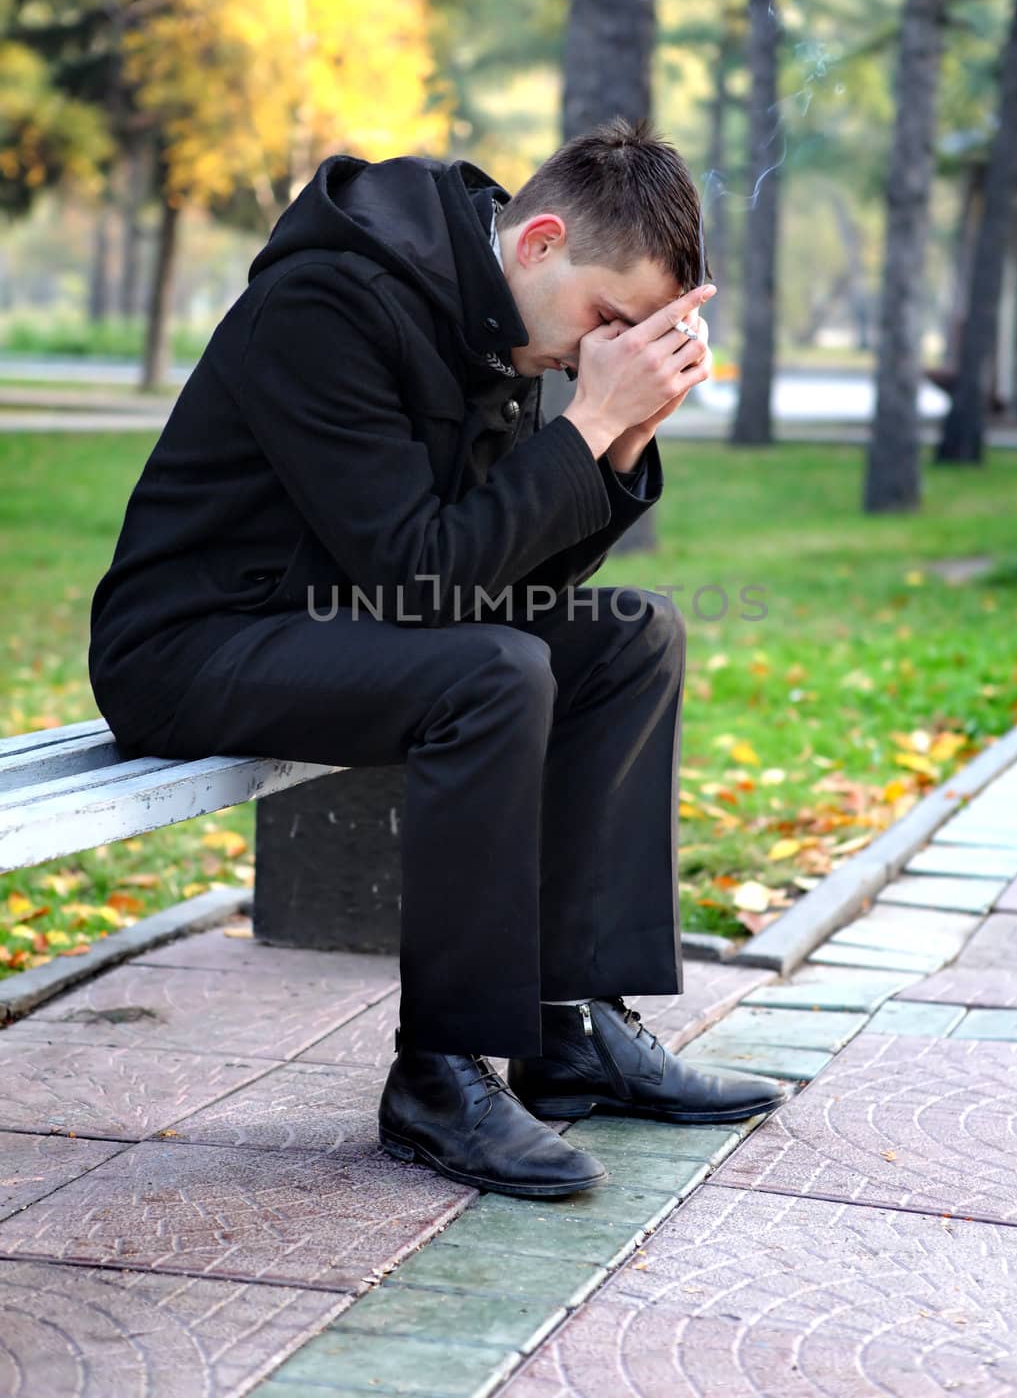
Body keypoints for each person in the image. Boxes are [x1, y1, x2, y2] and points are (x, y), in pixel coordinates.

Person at [87, 116, 786, 1202]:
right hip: (194, 641)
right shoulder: (332, 298)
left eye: (633, 338)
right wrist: (583, 421)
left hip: (337, 622)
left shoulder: (494, 320)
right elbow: (422, 580)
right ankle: (437, 1072)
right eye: (608, 321)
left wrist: (618, 439)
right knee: (491, 673)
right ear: (541, 240)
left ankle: (568, 1030)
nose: (600, 354)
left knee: (627, 635)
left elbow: (495, 581)